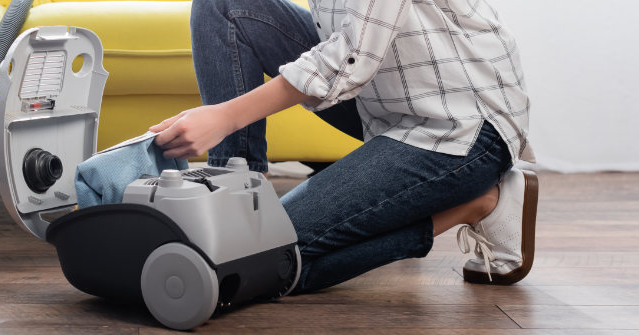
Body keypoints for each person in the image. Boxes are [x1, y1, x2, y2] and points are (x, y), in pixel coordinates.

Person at [149, 0, 539, 291]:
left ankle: (477, 202)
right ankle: (236, 195)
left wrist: (225, 116)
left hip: (460, 125)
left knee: (260, 263)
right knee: (226, 4)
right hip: (387, 101)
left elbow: (348, 58)